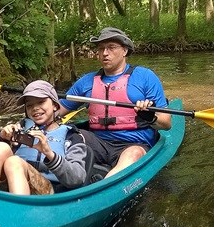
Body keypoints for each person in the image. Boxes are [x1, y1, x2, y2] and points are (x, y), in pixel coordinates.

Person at [58, 27, 171, 178]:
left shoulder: (145, 77)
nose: (104, 53)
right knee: (66, 137)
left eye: (111, 47)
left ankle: (104, 187)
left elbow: (166, 123)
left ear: (124, 51)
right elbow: (55, 111)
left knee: (133, 154)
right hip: (98, 141)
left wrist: (150, 117)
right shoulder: (86, 82)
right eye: (101, 48)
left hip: (133, 143)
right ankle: (63, 179)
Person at [0, 80, 92, 195]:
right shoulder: (20, 129)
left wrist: (49, 154)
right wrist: (0, 135)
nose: (35, 108)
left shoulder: (71, 136)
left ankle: (21, 209)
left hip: (48, 191)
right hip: (12, 182)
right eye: (30, 105)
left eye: (41, 102)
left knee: (14, 161)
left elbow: (77, 178)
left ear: (55, 106)